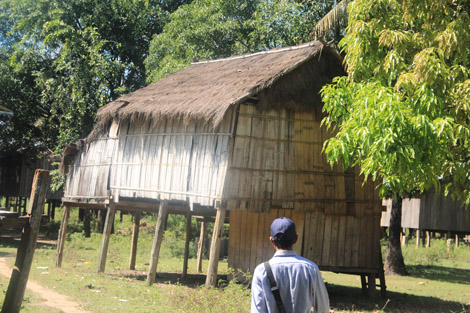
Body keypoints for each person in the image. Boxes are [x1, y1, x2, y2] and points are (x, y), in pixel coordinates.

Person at [251, 217, 330, 313]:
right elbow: (323, 308)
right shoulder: (310, 268)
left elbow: (257, 310)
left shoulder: (262, 270)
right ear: (295, 239)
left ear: (272, 240)